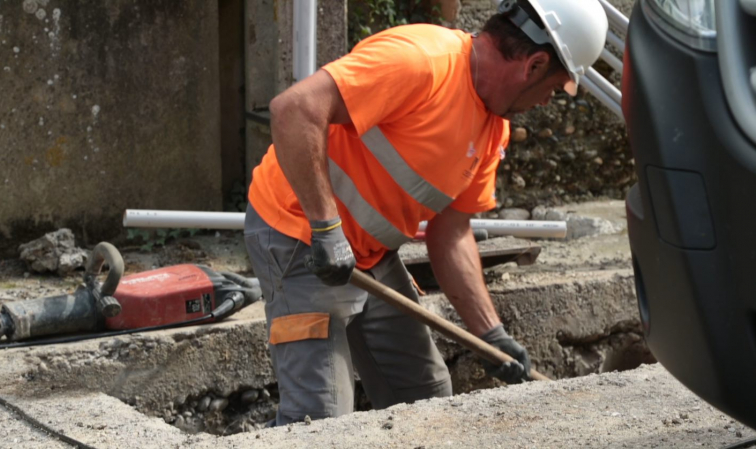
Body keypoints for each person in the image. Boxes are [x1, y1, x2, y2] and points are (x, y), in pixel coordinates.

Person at [244, 0, 608, 425]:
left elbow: (451, 232)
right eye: (553, 87)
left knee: (426, 399)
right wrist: (326, 227)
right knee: (321, 422)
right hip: (299, 235)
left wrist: (491, 334)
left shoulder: (493, 129)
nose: (547, 102)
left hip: (370, 254)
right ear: (534, 64)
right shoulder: (420, 62)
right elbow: (294, 110)